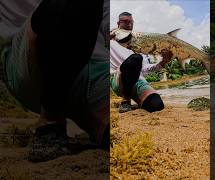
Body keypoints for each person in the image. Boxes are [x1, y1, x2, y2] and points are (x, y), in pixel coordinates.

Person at [0, 0, 109, 162]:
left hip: (95, 64)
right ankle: (51, 119)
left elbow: (107, 15)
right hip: (30, 58)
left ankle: (90, 118)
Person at [110, 12, 173, 113]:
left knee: (157, 105)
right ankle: (126, 100)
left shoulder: (139, 43)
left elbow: (144, 69)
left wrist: (162, 62)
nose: (129, 25)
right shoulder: (110, 39)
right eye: (126, 22)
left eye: (131, 22)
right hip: (118, 80)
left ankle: (137, 98)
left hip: (138, 81)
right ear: (118, 23)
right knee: (135, 58)